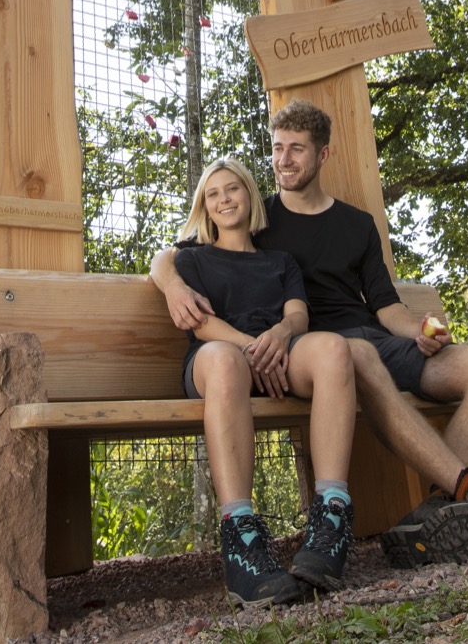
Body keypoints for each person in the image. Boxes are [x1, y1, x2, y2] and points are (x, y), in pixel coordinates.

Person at [152, 101, 468, 567]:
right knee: (356, 351)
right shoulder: (257, 218)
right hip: (320, 353)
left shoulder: (357, 224)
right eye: (278, 148)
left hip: (370, 338)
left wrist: (423, 331)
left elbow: (387, 307)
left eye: (296, 150)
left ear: (322, 156)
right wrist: (174, 284)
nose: (283, 160)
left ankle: (438, 514)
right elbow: (177, 252)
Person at [173, 156, 359, 607]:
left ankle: (330, 519)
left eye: (232, 189)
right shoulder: (192, 259)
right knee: (224, 360)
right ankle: (241, 540)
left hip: (275, 357)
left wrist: (277, 334)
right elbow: (201, 326)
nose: (224, 199)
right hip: (216, 361)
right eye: (213, 193)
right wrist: (248, 346)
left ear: (249, 195)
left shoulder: (280, 261)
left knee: (335, 349)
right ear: (204, 206)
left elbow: (297, 314)